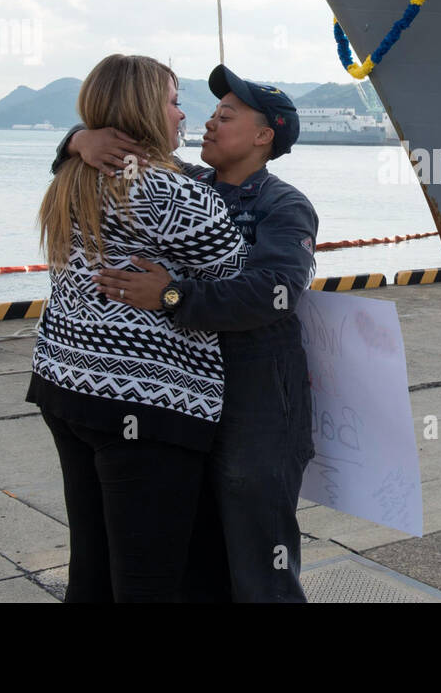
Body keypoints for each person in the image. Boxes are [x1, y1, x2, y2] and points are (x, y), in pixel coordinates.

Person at [52, 65, 318, 602]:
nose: (207, 122)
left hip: (256, 391)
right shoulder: (186, 184)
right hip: (191, 389)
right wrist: (80, 139)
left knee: (256, 544)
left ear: (265, 136)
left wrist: (174, 297)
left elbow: (278, 291)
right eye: (208, 112)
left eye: (227, 116)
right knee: (199, 545)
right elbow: (110, 168)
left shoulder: (283, 205)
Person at [28, 54, 246, 602]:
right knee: (148, 580)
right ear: (146, 110)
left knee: (93, 566)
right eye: (173, 101)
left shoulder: (72, 176)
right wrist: (174, 290)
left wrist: (78, 139)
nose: (182, 115)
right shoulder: (171, 193)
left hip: (66, 385)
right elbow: (240, 284)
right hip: (145, 403)